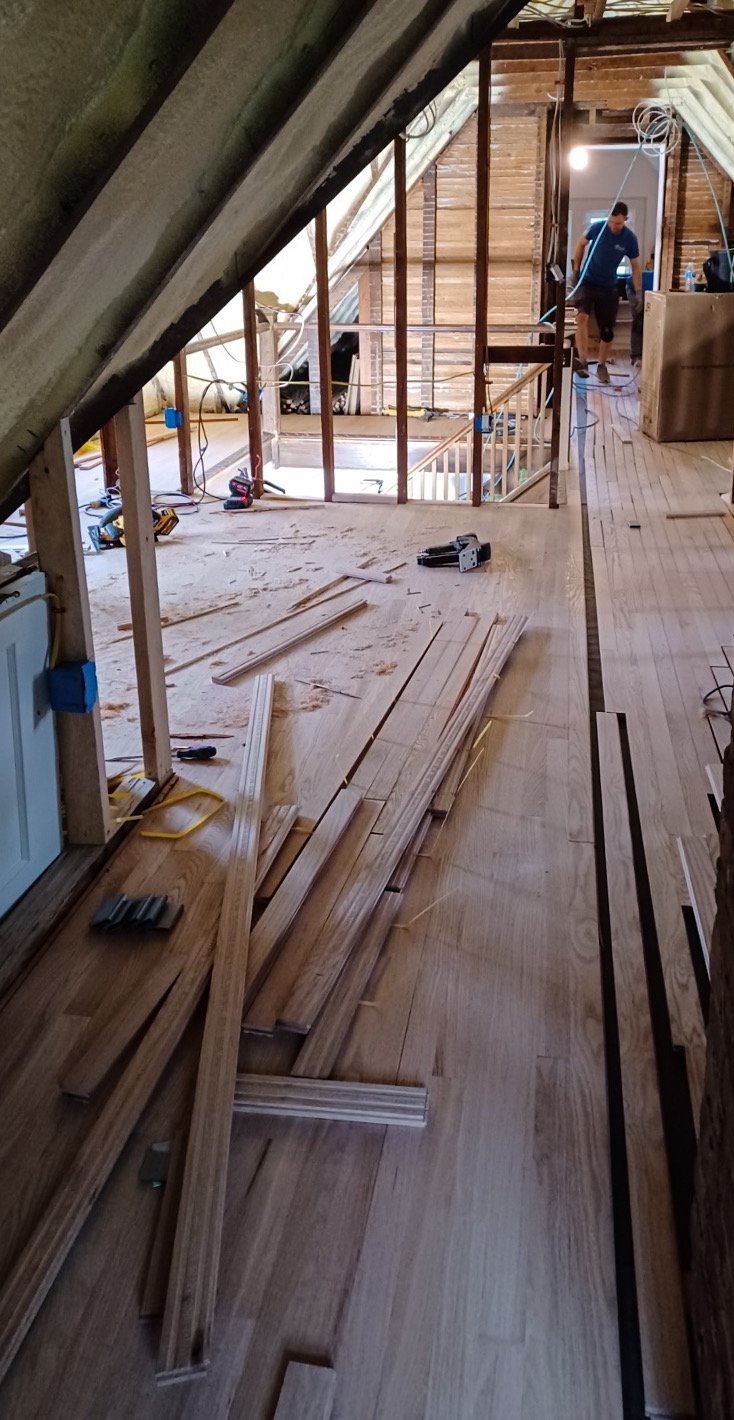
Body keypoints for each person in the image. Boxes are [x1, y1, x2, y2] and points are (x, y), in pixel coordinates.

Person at [570, 201, 642, 384]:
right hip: (588, 281)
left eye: (618, 223)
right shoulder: (598, 228)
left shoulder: (629, 239)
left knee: (608, 331)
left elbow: (635, 267)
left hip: (609, 285)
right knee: (581, 318)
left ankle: (602, 366)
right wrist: (576, 270)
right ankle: (583, 362)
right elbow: (580, 244)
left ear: (625, 220)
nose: (614, 226)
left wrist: (638, 292)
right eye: (611, 222)